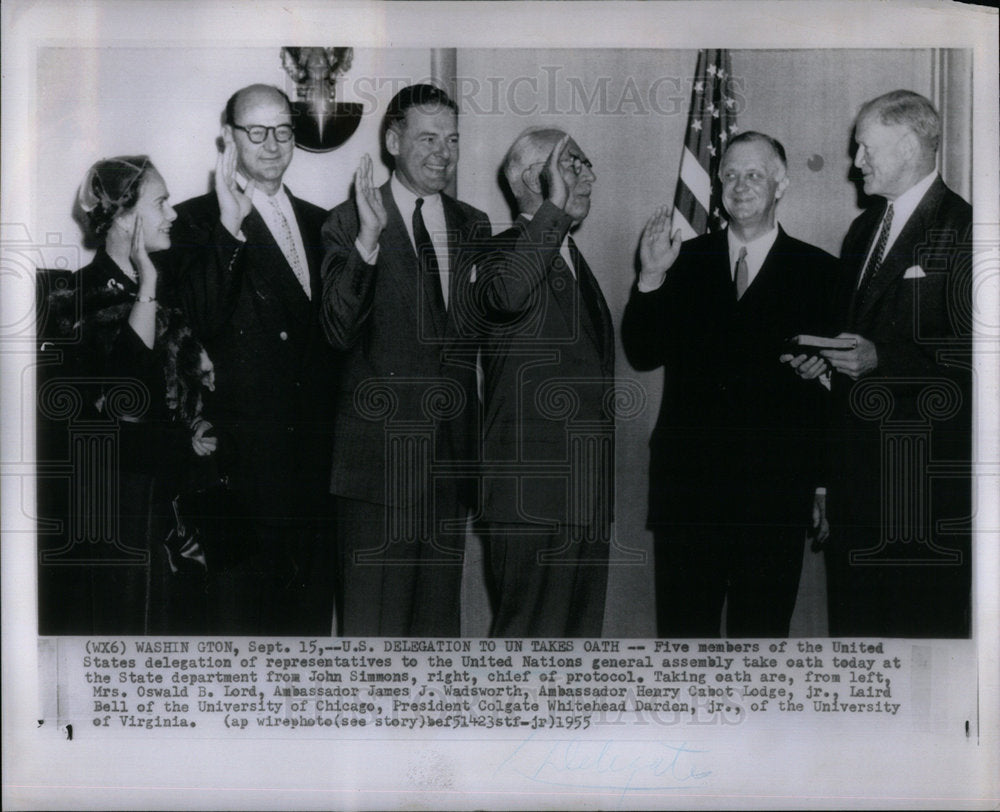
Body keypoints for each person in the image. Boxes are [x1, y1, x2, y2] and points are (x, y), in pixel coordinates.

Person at [622, 131, 842, 637]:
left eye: (755, 174)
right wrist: (650, 280)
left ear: (781, 183)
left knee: (761, 647)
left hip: (775, 498)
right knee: (684, 644)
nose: (740, 186)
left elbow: (834, 391)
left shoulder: (822, 272)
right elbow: (642, 350)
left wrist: (826, 481)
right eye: (730, 175)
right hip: (689, 496)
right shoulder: (682, 261)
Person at [793, 90, 972, 637]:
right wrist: (828, 365)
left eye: (865, 148)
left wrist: (880, 360)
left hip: (922, 492)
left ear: (910, 144)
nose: (855, 163)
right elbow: (856, 344)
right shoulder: (863, 230)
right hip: (856, 490)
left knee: (919, 644)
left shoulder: (966, 229)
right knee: (857, 646)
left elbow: (976, 362)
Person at [321, 84, 490, 636]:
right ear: (393, 141)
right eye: (427, 138)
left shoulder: (474, 224)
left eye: (453, 140)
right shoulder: (347, 222)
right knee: (374, 640)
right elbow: (337, 330)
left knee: (437, 642)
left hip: (449, 469)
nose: (442, 153)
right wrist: (369, 242)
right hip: (377, 474)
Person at [169, 84, 337, 635]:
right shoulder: (195, 221)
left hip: (312, 472)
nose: (271, 144)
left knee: (305, 639)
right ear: (229, 137)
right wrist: (229, 226)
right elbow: (201, 320)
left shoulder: (322, 222)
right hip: (240, 474)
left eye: (283, 131)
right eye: (256, 131)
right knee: (239, 636)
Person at [59, 155, 217, 633]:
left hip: (169, 506)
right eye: (162, 203)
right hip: (122, 516)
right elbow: (129, 399)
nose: (173, 214)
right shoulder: (75, 298)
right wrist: (147, 287)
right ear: (125, 216)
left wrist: (197, 424)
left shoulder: (164, 296)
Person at [474, 128, 615, 637]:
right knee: (526, 659)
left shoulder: (573, 258)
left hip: (585, 502)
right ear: (540, 177)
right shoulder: (496, 254)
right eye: (576, 164)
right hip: (531, 500)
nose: (591, 175)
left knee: (573, 666)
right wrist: (554, 206)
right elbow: (510, 294)